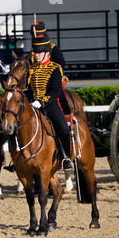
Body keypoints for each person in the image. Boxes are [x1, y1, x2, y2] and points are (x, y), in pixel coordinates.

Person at [26, 34, 73, 170]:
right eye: (35, 52)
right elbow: (29, 90)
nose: (36, 55)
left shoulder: (54, 68)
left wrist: (41, 101)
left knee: (63, 128)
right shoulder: (32, 69)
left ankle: (65, 158)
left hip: (50, 105)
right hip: (33, 105)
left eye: (39, 52)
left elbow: (56, 91)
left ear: (47, 53)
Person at [29, 22, 71, 115]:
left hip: (52, 76)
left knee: (61, 95)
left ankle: (67, 114)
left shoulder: (53, 48)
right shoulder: (32, 52)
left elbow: (61, 62)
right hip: (36, 74)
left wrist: (50, 69)